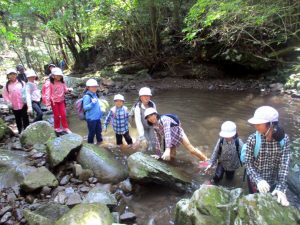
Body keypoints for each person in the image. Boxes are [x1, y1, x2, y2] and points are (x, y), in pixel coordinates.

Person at [245, 106, 290, 206]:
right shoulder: (253, 139)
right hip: (255, 180)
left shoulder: (284, 140)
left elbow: (284, 165)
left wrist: (281, 187)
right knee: (255, 203)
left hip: (273, 180)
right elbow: (248, 164)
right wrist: (258, 180)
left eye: (258, 123)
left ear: (270, 124)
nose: (255, 126)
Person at [3, 68, 29, 134]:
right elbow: (5, 95)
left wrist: (27, 101)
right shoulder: (6, 86)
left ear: (16, 74)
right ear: (8, 76)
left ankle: (27, 130)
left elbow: (26, 92)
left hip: (23, 104)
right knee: (18, 118)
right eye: (10, 74)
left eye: (14, 74)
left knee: (25, 117)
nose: (12, 75)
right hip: (14, 105)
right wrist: (8, 102)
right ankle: (20, 130)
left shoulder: (22, 83)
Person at [49, 67, 73, 133]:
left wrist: (69, 90)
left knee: (63, 114)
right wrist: (49, 102)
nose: (59, 76)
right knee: (57, 115)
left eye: (60, 75)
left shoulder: (62, 82)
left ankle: (66, 128)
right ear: (53, 76)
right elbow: (49, 93)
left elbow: (65, 90)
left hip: (61, 100)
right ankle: (56, 127)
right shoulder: (50, 83)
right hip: (54, 102)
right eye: (58, 75)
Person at [82, 79, 103, 144]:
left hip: (97, 118)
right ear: (88, 87)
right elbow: (85, 108)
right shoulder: (87, 96)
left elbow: (97, 106)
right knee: (92, 133)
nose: (95, 88)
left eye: (96, 86)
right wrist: (92, 103)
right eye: (92, 86)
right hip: (91, 119)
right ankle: (90, 145)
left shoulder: (95, 94)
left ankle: (100, 143)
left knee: (99, 131)